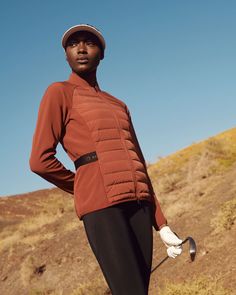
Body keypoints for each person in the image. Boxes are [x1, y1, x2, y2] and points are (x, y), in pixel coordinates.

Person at [29, 24, 182, 295]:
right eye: (73, 44)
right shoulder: (59, 92)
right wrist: (83, 185)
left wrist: (161, 222)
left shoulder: (118, 104)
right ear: (65, 54)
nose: (81, 49)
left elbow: (138, 162)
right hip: (102, 206)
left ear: (102, 54)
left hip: (140, 206)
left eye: (90, 43)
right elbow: (40, 160)